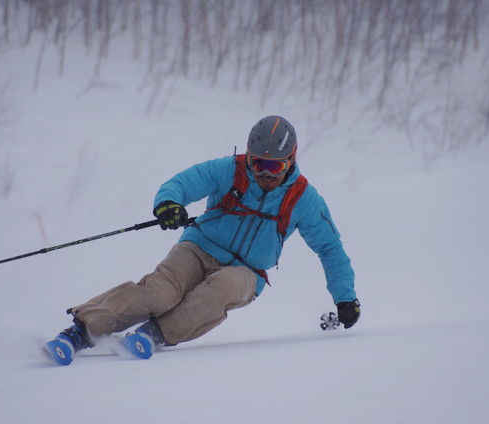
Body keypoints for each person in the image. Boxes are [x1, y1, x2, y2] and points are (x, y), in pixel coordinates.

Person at [43, 115, 360, 365]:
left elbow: (329, 247)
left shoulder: (304, 198)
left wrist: (345, 296)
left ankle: (153, 334)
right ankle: (78, 333)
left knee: (219, 290)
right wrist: (169, 204)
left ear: (290, 161)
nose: (264, 172)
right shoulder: (228, 170)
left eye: (274, 166)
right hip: (199, 247)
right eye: (257, 163)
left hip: (247, 272)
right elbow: (181, 184)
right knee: (158, 293)